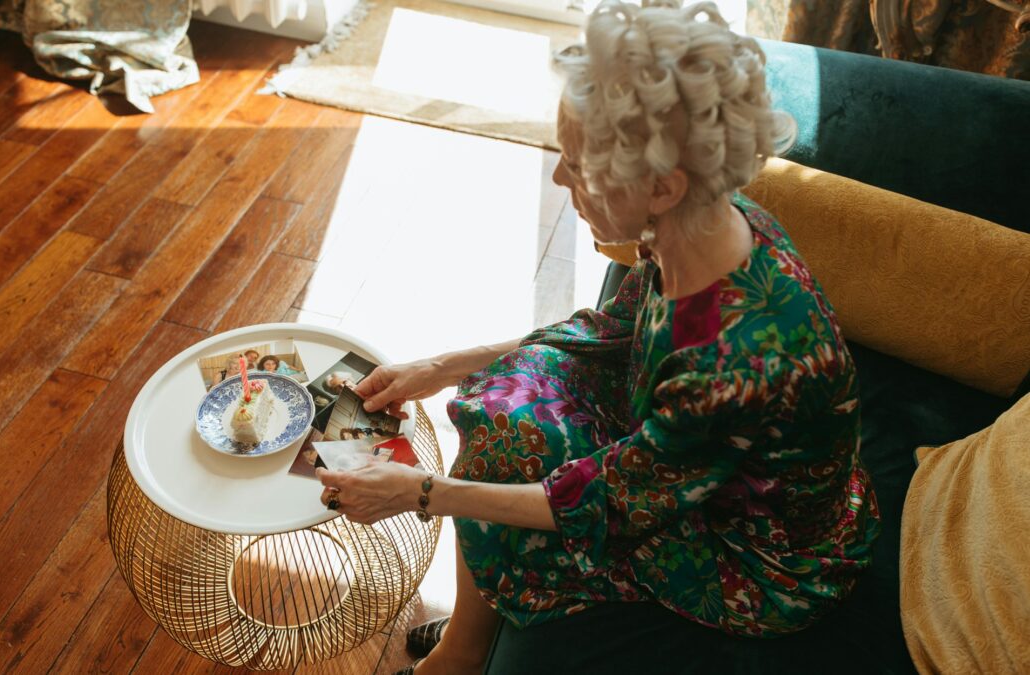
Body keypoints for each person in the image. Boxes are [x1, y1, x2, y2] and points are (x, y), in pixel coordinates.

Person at [314, 2, 879, 674]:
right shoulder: (710, 228)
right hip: (688, 463)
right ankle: (470, 641)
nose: (559, 178)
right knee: (501, 401)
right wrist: (440, 366)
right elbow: (605, 332)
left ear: (664, 185)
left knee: (500, 464)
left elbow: (604, 504)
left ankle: (463, 654)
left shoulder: (729, 363)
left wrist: (419, 493)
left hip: (761, 557)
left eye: (578, 166)